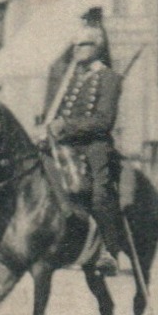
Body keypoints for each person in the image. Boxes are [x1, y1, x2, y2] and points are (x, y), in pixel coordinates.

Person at [45, 18, 125, 276]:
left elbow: (103, 121)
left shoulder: (109, 78)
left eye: (84, 44)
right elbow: (57, 113)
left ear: (98, 46)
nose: (77, 49)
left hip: (94, 146)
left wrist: (65, 126)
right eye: (75, 45)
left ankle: (109, 253)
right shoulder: (73, 79)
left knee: (100, 194)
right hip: (67, 145)